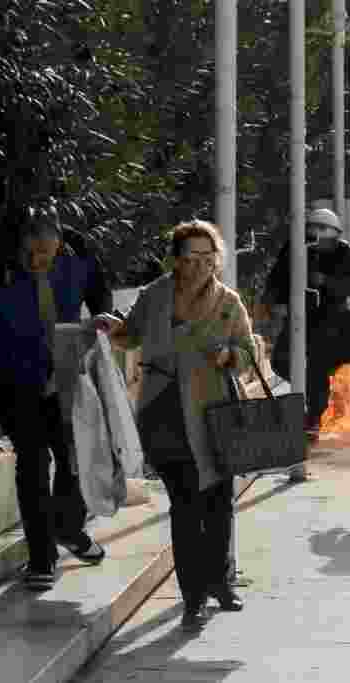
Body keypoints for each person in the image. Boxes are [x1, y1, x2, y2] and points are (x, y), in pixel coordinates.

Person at [95, 220, 254, 631]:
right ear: (176, 260)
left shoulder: (228, 302)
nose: (201, 266)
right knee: (185, 509)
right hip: (165, 412)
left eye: (208, 258)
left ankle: (219, 581)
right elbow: (130, 336)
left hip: (213, 413)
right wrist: (111, 327)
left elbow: (249, 352)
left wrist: (229, 356)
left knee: (218, 505)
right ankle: (193, 597)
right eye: (191, 258)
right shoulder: (155, 295)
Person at [0, 199, 107, 591]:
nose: (37, 261)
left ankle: (68, 528)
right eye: (30, 253)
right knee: (33, 462)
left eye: (45, 253)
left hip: (63, 371)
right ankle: (41, 557)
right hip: (12, 378)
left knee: (72, 456)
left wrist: (101, 318)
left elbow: (100, 295)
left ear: (60, 244)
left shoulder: (79, 252)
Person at [263, 209, 350, 442]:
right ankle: (315, 392)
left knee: (318, 368)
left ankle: (314, 418)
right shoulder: (294, 248)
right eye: (312, 230)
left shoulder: (346, 253)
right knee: (280, 361)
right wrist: (271, 301)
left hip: (330, 321)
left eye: (324, 231)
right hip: (299, 318)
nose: (317, 237)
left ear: (336, 234)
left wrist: (326, 282)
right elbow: (277, 277)